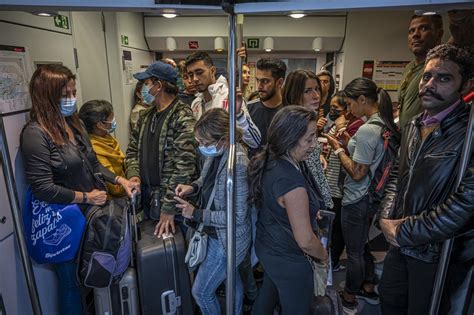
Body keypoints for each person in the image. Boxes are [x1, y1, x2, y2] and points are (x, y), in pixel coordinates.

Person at [20, 64, 139, 315]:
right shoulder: (35, 134)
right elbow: (42, 188)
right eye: (65, 95)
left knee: (90, 275)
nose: (72, 99)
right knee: (71, 283)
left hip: (90, 215)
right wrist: (86, 196)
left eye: (73, 93)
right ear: (47, 95)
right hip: (64, 221)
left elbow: (93, 164)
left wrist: (120, 180)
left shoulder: (73, 125)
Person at [378, 44, 474, 315]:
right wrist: (386, 217)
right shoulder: (413, 124)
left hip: (437, 253)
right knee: (390, 302)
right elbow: (397, 174)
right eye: (427, 77)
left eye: (444, 78)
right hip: (400, 243)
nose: (430, 85)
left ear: (465, 85)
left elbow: (466, 202)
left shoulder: (469, 132)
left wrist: (406, 232)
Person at [324, 77, 400, 312]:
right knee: (361, 244)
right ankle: (368, 285)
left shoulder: (367, 129)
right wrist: (348, 142)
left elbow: (358, 172)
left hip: (357, 198)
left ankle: (349, 296)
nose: (349, 109)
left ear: (363, 99)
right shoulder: (383, 125)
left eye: (350, 103)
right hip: (370, 198)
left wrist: (337, 149)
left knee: (354, 251)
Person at [249, 106, 328, 314]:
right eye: (309, 139)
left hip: (268, 248)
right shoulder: (291, 181)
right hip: (289, 259)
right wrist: (323, 255)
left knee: (267, 296)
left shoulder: (271, 160)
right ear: (289, 139)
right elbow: (306, 241)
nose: (314, 145)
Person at [173, 108, 251, 315]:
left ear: (224, 139)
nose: (201, 148)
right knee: (230, 278)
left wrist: (196, 214)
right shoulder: (217, 152)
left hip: (226, 239)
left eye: (204, 143)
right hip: (215, 233)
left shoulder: (239, 163)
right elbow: (206, 180)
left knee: (201, 292)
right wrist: (192, 187)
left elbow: (236, 216)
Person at [126, 61, 198, 237]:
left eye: (147, 83)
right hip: (147, 199)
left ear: (159, 86)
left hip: (171, 204)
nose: (144, 87)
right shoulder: (145, 116)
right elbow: (132, 150)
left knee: (173, 252)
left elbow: (184, 167)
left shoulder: (183, 116)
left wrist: (169, 209)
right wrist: (133, 175)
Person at [398, 11, 474, 130]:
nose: (415, 35)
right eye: (411, 31)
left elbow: (460, 28)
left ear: (439, 34)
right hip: (410, 137)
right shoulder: (409, 68)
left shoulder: (446, 63)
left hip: (440, 134)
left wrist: (456, 9)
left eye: (424, 28)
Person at [185, 51, 261, 148]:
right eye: (191, 75)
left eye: (199, 73)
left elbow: (255, 141)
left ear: (212, 71)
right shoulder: (196, 104)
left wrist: (239, 114)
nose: (195, 79)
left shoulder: (228, 97)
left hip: (227, 161)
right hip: (205, 162)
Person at [282, 69, 333, 210]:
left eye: (317, 89)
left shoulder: (306, 120)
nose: (316, 95)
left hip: (316, 193)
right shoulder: (292, 124)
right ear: (295, 94)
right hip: (305, 198)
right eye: (308, 91)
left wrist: (318, 154)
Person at [79, 99, 126, 198]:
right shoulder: (94, 148)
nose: (114, 121)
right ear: (100, 125)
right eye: (111, 118)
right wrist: (131, 181)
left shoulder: (106, 137)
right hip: (114, 200)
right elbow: (115, 189)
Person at [247, 58, 287, 158]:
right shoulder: (248, 109)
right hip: (252, 170)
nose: (259, 86)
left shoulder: (289, 111)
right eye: (258, 80)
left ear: (279, 82)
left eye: (265, 81)